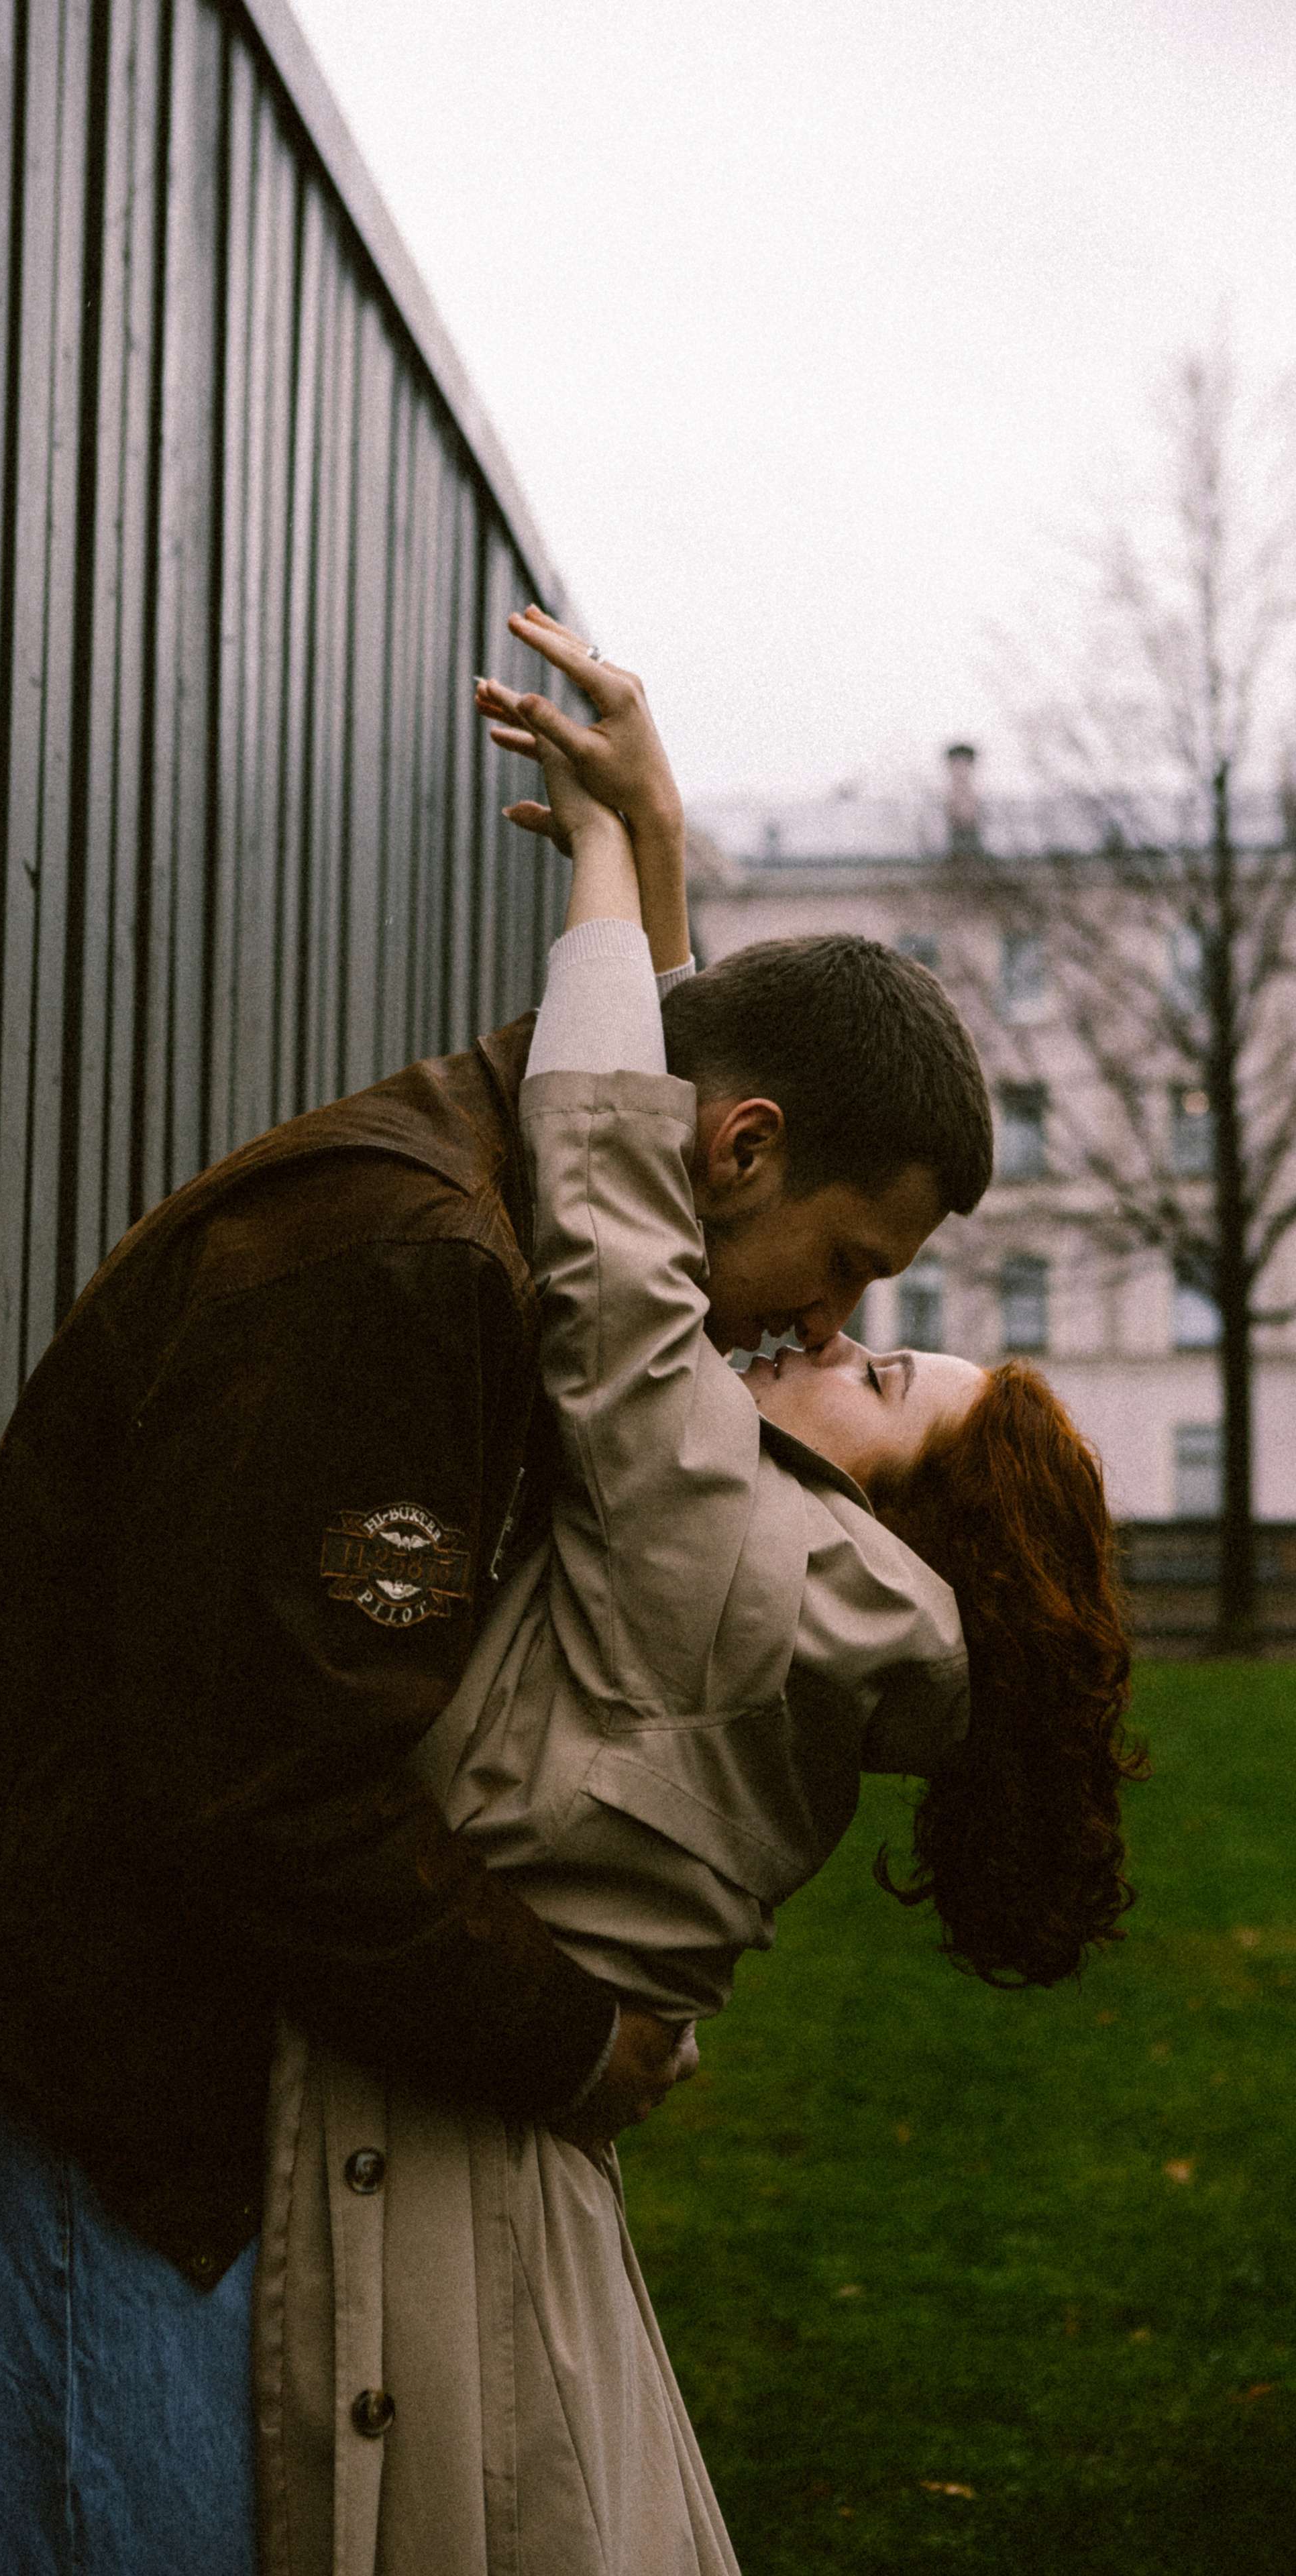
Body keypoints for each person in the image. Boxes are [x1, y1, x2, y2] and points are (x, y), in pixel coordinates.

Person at [0, 621, 997, 2575]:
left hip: (151, 2091)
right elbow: (267, 1790)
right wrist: (576, 2040)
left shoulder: (494, 1229)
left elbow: (637, 1204)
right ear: (746, 1147)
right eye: (847, 1261)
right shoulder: (405, 1267)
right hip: (78, 2087)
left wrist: (652, 887)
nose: (826, 1318)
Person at [254, 643, 1140, 2574]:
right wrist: (666, 853)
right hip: (490, 2140)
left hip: (445, 2180)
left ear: (901, 1537)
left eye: (888, 1375)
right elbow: (704, 1176)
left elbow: (617, 1211)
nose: (836, 1336)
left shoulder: (766, 1581)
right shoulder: (811, 1593)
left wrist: (601, 858)